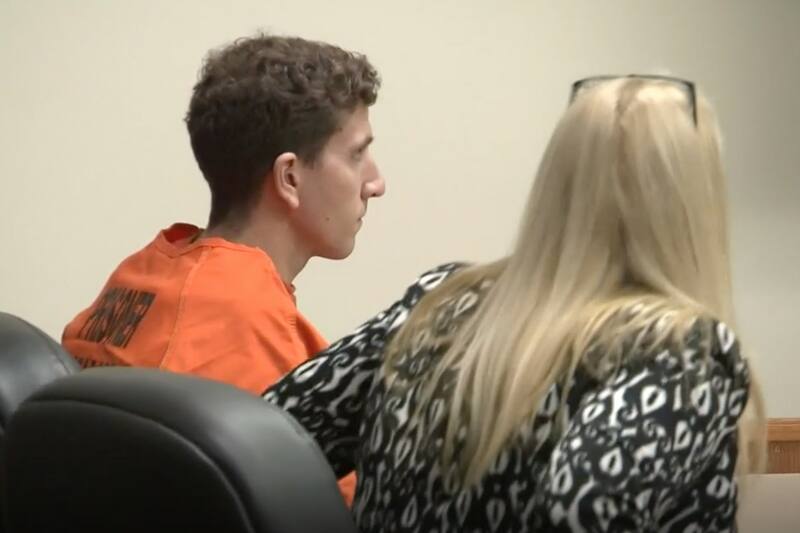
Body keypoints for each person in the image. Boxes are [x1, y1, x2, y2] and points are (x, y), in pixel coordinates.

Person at [264, 75, 766, 531]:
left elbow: (266, 437)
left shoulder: (441, 299)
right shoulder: (683, 350)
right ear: (694, 199)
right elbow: (586, 505)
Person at [61, 33, 385, 504]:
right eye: (356, 155)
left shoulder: (142, 274)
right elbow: (329, 509)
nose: (375, 183)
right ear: (290, 178)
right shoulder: (242, 315)